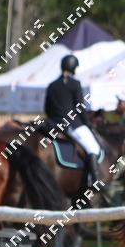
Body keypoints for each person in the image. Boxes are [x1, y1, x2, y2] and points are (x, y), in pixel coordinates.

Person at [44, 54, 101, 185]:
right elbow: (80, 107)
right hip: (72, 125)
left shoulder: (52, 85)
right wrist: (88, 123)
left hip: (53, 124)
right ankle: (95, 180)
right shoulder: (75, 84)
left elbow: (47, 109)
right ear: (73, 67)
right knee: (93, 148)